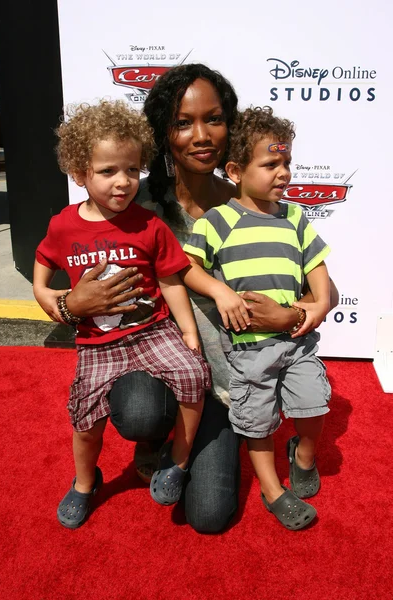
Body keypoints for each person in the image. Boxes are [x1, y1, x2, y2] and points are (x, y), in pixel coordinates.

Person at [37, 64, 338, 533]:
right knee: (138, 413)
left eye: (213, 119)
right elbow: (62, 271)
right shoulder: (134, 203)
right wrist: (70, 307)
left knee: (209, 517)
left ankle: (225, 428)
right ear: (162, 132)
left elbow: (312, 286)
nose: (200, 135)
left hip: (231, 375)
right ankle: (154, 434)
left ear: (230, 127)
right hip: (157, 359)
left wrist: (296, 314)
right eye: (182, 122)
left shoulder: (255, 202)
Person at [33, 99, 211, 529]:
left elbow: (171, 281)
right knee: (85, 417)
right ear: (80, 173)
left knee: (194, 376)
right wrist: (52, 298)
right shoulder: (63, 225)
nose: (123, 182)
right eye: (108, 171)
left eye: (132, 170)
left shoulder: (149, 225)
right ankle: (83, 482)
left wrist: (188, 331)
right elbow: (42, 268)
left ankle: (179, 462)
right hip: (97, 342)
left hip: (153, 331)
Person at [183, 106, 332, 530]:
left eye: (287, 163)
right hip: (248, 352)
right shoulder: (217, 221)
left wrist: (318, 306)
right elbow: (187, 267)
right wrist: (220, 290)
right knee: (258, 420)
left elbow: (318, 271)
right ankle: (272, 490)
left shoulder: (297, 218)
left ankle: (303, 455)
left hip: (298, 342)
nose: (283, 173)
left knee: (315, 405)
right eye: (271, 164)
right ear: (235, 170)